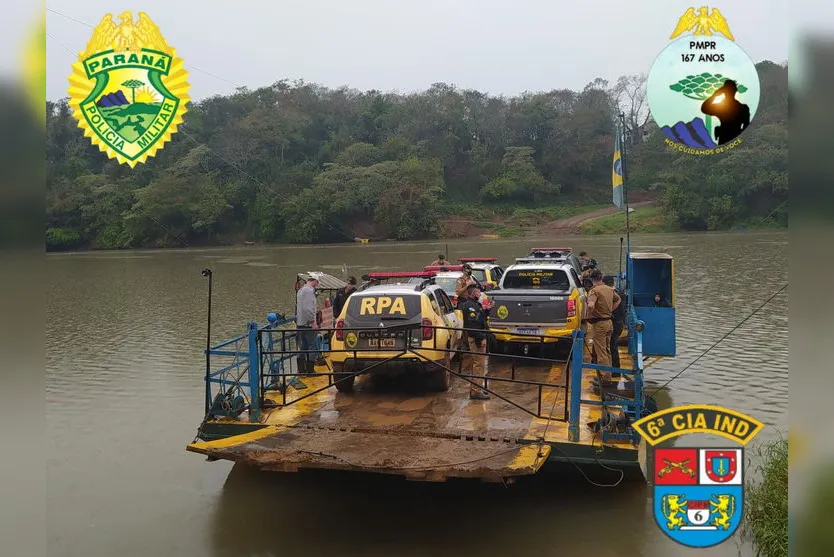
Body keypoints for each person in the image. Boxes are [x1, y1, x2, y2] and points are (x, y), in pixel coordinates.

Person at [586, 269, 621, 383]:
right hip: (609, 322)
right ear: (601, 278)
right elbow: (618, 299)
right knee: (607, 350)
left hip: (599, 324)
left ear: (592, 280)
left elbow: (591, 305)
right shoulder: (609, 289)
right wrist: (610, 309)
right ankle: (608, 375)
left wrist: (588, 315)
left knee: (600, 352)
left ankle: (605, 378)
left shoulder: (594, 291)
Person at [458, 284, 489, 400]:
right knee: (478, 365)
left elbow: (480, 320)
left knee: (479, 365)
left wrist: (486, 310)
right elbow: (473, 326)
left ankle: (477, 388)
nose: (480, 294)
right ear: (472, 293)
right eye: (478, 292)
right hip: (476, 339)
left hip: (477, 337)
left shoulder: (475, 305)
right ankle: (476, 391)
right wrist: (482, 338)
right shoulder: (471, 306)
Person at [295, 276, 320, 375]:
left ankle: (301, 369)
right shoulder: (309, 291)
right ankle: (310, 370)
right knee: (312, 346)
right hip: (308, 324)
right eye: (317, 282)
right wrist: (313, 322)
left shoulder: (300, 290)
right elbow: (308, 308)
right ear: (313, 281)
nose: (317, 284)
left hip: (300, 323)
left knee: (303, 346)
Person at [604, 275, 626, 370]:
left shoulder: (611, 294)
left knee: (612, 347)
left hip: (614, 323)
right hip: (619, 323)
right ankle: (614, 369)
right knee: (613, 346)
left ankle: (614, 370)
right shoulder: (620, 293)